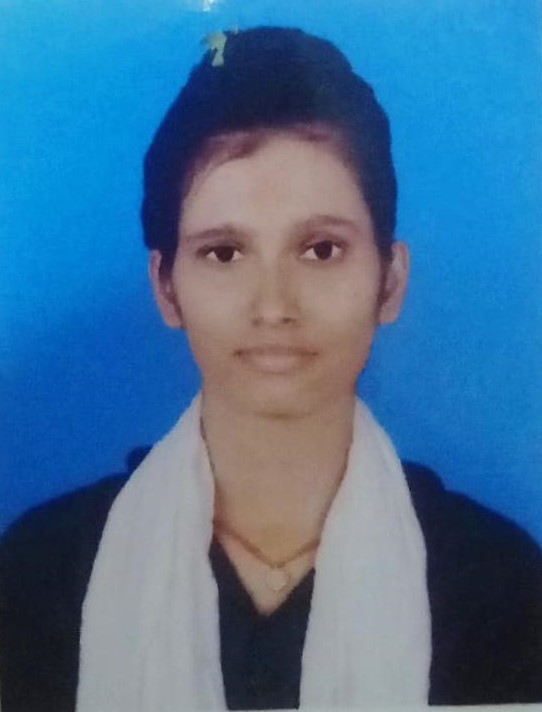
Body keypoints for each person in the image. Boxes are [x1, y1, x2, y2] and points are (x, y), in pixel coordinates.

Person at [1, 26, 541, 712]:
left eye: (321, 249)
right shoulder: (40, 574)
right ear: (165, 288)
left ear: (391, 280)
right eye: (224, 253)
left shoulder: (498, 585)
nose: (274, 306)